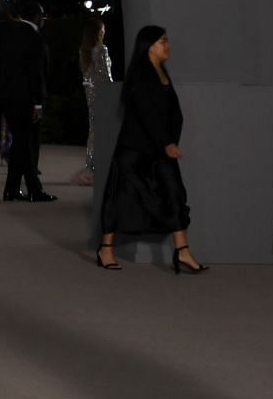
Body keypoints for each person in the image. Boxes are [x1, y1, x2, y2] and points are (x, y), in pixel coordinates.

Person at [98, 25, 208, 274]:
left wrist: (171, 141)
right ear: (148, 46)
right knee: (119, 196)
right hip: (134, 149)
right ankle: (106, 248)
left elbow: (174, 113)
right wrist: (167, 143)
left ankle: (182, 251)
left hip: (159, 149)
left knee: (174, 193)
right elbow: (147, 115)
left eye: (167, 41)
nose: (167, 46)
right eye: (162, 42)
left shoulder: (162, 72)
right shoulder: (139, 75)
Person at [0, 2, 55, 203]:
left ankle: (11, 189)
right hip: (28, 100)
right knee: (26, 145)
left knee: (20, 144)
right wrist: (38, 102)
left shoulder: (8, 33)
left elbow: (2, 67)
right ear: (37, 17)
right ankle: (34, 189)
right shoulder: (34, 37)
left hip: (9, 98)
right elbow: (37, 73)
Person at [74, 15, 112, 186]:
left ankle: (91, 164)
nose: (104, 31)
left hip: (90, 92)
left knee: (94, 127)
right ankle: (100, 165)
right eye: (102, 29)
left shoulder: (83, 50)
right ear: (98, 32)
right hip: (103, 93)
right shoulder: (101, 49)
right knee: (103, 129)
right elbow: (106, 75)